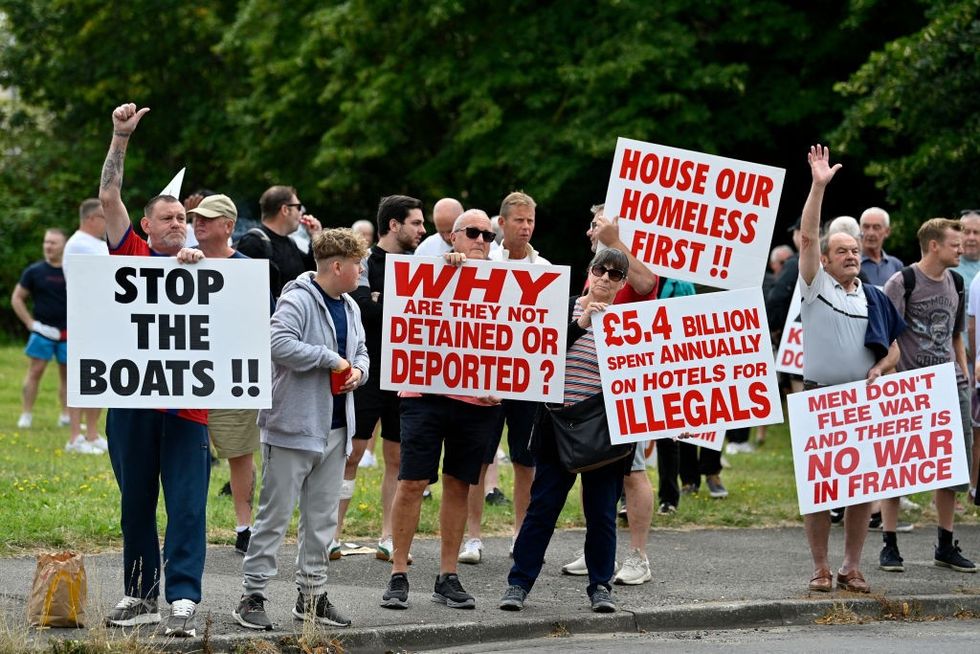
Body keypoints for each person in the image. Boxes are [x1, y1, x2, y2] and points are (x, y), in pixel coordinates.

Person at [98, 103, 210, 637]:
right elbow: (108, 196)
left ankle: (183, 598)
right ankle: (140, 594)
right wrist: (121, 138)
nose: (178, 225)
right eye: (168, 218)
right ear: (145, 225)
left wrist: (197, 271)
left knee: (187, 506)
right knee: (136, 502)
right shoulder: (132, 253)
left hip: (187, 407)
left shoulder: (210, 271)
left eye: (183, 219)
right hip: (132, 403)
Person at [233, 228, 368, 631]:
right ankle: (251, 596)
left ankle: (311, 596)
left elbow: (360, 350)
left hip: (337, 427)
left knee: (322, 519)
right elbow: (275, 342)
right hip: (292, 426)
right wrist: (329, 358)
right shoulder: (297, 299)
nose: (362, 271)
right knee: (274, 515)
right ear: (338, 266)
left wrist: (357, 371)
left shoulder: (350, 305)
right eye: (358, 264)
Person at [380, 209, 503, 610]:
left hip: (477, 401)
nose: (481, 240)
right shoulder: (429, 267)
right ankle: (399, 573)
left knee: (458, 484)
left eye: (488, 234)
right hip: (424, 395)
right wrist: (446, 268)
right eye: (473, 233)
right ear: (453, 236)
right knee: (412, 482)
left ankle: (447, 575)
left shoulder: (506, 281)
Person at [500, 248, 633, 613]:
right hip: (557, 424)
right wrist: (582, 324)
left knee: (602, 512)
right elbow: (540, 352)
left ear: (623, 284)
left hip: (604, 431)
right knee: (542, 507)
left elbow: (646, 382)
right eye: (600, 270)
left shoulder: (634, 322)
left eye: (616, 274)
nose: (606, 278)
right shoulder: (562, 306)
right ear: (589, 272)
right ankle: (518, 584)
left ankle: (600, 586)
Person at [797, 144, 903, 594]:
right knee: (819, 490)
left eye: (855, 250)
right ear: (824, 259)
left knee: (862, 489)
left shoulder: (874, 296)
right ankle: (821, 567)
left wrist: (880, 367)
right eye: (842, 250)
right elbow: (806, 237)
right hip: (819, 396)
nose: (851, 256)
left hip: (862, 402)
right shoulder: (814, 286)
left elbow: (894, 350)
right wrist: (818, 187)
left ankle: (851, 566)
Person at [561, 204, 659, 585]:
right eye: (594, 224)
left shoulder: (629, 263)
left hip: (624, 389)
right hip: (592, 396)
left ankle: (638, 557)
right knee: (593, 470)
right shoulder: (597, 271)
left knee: (632, 472)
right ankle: (597, 549)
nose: (593, 229)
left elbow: (649, 283)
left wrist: (613, 241)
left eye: (601, 223)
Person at [458, 192, 550, 565]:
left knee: (526, 460)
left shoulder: (543, 267)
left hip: (526, 380)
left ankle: (519, 536)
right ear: (502, 222)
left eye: (530, 221)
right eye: (519, 221)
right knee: (479, 460)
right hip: (487, 379)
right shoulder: (480, 260)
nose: (526, 227)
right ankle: (472, 537)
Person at [881, 217, 976, 574]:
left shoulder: (956, 281)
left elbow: (955, 336)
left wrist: (963, 375)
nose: (962, 247)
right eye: (955, 243)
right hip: (910, 388)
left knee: (952, 468)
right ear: (934, 245)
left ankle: (946, 544)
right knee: (898, 466)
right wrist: (891, 380)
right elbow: (886, 337)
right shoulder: (901, 282)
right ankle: (889, 544)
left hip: (951, 386)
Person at [341, 195, 427, 561]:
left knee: (397, 457)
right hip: (369, 371)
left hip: (406, 374)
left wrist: (382, 301)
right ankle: (331, 535)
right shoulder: (366, 263)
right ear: (394, 225)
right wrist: (383, 304)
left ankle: (389, 538)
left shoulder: (424, 267)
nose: (423, 231)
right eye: (416, 223)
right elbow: (362, 310)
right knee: (353, 453)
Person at [186, 194, 262, 556]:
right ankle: (188, 524)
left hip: (231, 374)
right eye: (196, 218)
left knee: (239, 453)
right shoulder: (181, 262)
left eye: (208, 218)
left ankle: (245, 527)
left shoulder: (247, 269)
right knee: (186, 453)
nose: (198, 223)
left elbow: (267, 322)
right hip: (186, 374)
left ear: (228, 226)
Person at [11, 229, 72, 436]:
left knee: (68, 377)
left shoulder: (71, 270)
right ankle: (26, 414)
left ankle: (66, 416)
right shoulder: (34, 271)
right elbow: (17, 298)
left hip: (68, 332)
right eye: (46, 242)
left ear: (64, 245)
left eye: (53, 243)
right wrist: (30, 324)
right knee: (34, 372)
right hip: (42, 331)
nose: (48, 246)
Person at [62, 199, 109, 452]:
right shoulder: (80, 244)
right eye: (104, 217)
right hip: (84, 319)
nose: (107, 223)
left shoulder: (96, 244)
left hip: (98, 319)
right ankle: (74, 437)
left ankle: (91, 434)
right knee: (81, 378)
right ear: (92, 219)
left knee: (98, 376)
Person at [236, 186, 322, 300]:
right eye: (298, 207)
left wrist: (316, 237)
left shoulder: (290, 242)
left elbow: (313, 272)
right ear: (285, 210)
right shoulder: (253, 242)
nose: (301, 212)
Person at [859, 207, 904, 286]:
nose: (870, 233)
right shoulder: (853, 263)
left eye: (876, 227)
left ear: (887, 231)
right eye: (866, 227)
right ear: (859, 229)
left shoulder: (896, 265)